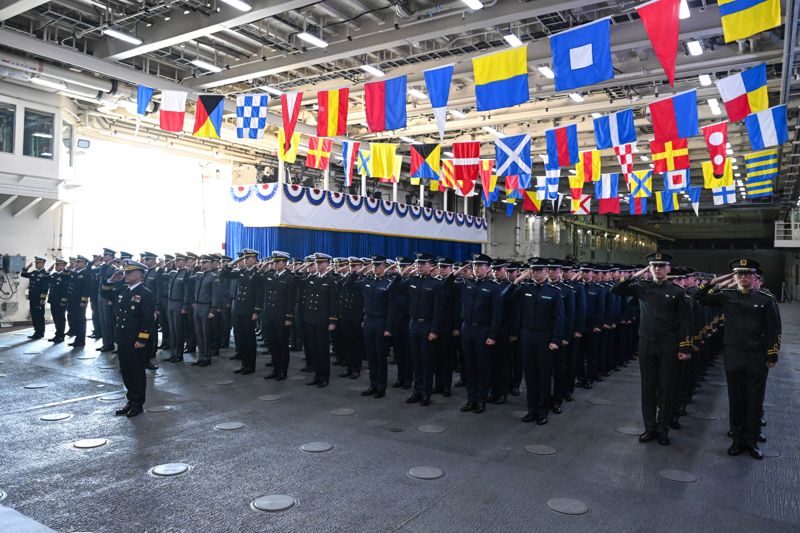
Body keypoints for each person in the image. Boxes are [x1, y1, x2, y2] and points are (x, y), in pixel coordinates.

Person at [695, 259, 781, 460]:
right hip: (734, 355)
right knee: (736, 398)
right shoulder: (726, 296)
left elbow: (774, 330)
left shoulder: (766, 299)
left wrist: (772, 354)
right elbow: (699, 296)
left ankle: (751, 441)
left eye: (747, 274)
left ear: (755, 277)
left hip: (757, 356)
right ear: (734, 277)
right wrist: (716, 281)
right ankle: (737, 440)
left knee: (754, 399)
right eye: (739, 274)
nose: (743, 278)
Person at [612, 252, 692, 446]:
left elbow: (684, 322)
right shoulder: (642, 288)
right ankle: (649, 427)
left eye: (661, 265)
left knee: (666, 388)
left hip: (669, 344)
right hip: (646, 342)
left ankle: (663, 428)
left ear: (668, 269)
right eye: (653, 266)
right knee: (648, 387)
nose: (657, 269)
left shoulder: (677, 292)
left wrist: (684, 347)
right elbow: (616, 289)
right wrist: (638, 274)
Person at [509, 258, 564, 424]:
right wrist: (518, 280)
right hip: (527, 337)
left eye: (539, 270)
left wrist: (556, 339)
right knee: (530, 375)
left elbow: (559, 317)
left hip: (545, 338)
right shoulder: (525, 289)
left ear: (546, 272)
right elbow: (506, 297)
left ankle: (542, 410)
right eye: (533, 270)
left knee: (544, 375)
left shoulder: (554, 292)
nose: (535, 273)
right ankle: (531, 410)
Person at [448, 253, 503, 414]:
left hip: (483, 330)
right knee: (469, 367)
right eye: (474, 266)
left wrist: (492, 335)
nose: (476, 268)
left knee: (482, 367)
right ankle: (471, 399)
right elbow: (446, 286)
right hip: (467, 329)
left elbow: (496, 314)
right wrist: (458, 272)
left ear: (488, 269)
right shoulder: (466, 283)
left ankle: (481, 399)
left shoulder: (493, 287)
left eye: (480, 266)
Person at [103, 260, 155, 418]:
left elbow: (148, 320)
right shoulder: (123, 290)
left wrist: (142, 340)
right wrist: (112, 279)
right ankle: (130, 400)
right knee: (125, 371)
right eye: (124, 272)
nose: (125, 275)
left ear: (138, 275)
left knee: (137, 372)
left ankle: (138, 404)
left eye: (128, 272)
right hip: (123, 338)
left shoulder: (146, 294)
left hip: (135, 340)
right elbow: (104, 292)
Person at [404, 253, 445, 407]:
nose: (420, 266)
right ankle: (417, 391)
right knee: (416, 360)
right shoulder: (412, 280)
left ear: (430, 266)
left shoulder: (436, 284)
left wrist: (434, 330)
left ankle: (426, 393)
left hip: (427, 325)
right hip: (413, 324)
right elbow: (394, 288)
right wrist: (406, 271)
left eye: (423, 263)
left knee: (426, 361)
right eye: (418, 263)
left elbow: (438, 310)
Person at [221, 249, 266, 375]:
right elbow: (224, 274)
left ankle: (250, 366)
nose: (245, 260)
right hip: (240, 309)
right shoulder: (242, 271)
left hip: (249, 310)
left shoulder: (257, 274)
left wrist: (257, 311)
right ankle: (244, 364)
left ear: (254, 259)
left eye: (247, 258)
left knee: (249, 339)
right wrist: (234, 262)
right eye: (244, 259)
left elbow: (259, 294)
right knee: (241, 337)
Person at [301, 253, 338, 387]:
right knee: (314, 349)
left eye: (321, 263)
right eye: (317, 263)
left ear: (327, 264)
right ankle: (317, 375)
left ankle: (324, 377)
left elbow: (334, 303)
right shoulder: (313, 278)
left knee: (323, 350)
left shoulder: (330, 280)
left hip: (322, 320)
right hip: (311, 319)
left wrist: (332, 321)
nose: (318, 265)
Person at [263, 251, 297, 381]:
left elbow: (291, 300)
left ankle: (283, 371)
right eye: (274, 262)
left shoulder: (290, 278)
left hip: (282, 317)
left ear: (284, 262)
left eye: (277, 262)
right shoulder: (271, 275)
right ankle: (275, 369)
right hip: (270, 315)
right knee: (273, 344)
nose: (274, 264)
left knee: (282, 345)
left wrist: (289, 317)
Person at [191, 255, 223, 368]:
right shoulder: (199, 275)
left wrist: (213, 309)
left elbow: (216, 295)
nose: (202, 264)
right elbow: (192, 287)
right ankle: (200, 357)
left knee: (206, 334)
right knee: (198, 333)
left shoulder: (214, 277)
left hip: (206, 307)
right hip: (198, 306)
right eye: (201, 262)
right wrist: (194, 301)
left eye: (205, 262)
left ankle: (207, 357)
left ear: (210, 263)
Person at [165, 253, 191, 363]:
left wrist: (185, 306)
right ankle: (173, 353)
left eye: (179, 260)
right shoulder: (173, 273)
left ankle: (179, 355)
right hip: (170, 303)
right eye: (176, 260)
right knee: (171, 330)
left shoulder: (186, 274)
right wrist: (164, 265)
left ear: (184, 262)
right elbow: (159, 275)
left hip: (179, 304)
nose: (177, 262)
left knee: (178, 330)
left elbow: (187, 292)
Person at [66, 255, 93, 348]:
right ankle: (77, 338)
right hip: (72, 300)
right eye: (76, 262)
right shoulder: (75, 273)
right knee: (74, 319)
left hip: (79, 301)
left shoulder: (86, 273)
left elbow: (86, 288)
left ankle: (80, 340)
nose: (76, 264)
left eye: (78, 262)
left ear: (84, 263)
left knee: (80, 320)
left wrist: (84, 301)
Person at [21, 256, 50, 339]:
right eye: (36, 263)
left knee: (39, 316)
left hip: (39, 299)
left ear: (43, 263)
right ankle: (36, 331)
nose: (36, 264)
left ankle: (40, 332)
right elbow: (23, 274)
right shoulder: (34, 272)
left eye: (38, 263)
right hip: (33, 298)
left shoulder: (45, 274)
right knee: (34, 315)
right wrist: (27, 267)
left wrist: (42, 299)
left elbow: (45, 288)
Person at [96, 248, 117, 352]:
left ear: (111, 256)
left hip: (107, 297)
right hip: (100, 295)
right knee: (102, 321)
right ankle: (105, 343)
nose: (103, 256)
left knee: (108, 321)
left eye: (105, 255)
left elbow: (114, 285)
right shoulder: (104, 267)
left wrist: (111, 299)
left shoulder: (113, 268)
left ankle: (110, 343)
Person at [47, 258, 69, 343]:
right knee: (55, 318)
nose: (56, 266)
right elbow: (46, 278)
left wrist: (64, 301)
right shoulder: (54, 275)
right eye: (56, 265)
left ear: (63, 266)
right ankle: (57, 334)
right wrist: (49, 271)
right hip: (53, 300)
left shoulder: (65, 276)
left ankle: (60, 335)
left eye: (58, 265)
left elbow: (65, 289)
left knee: (60, 318)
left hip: (60, 301)